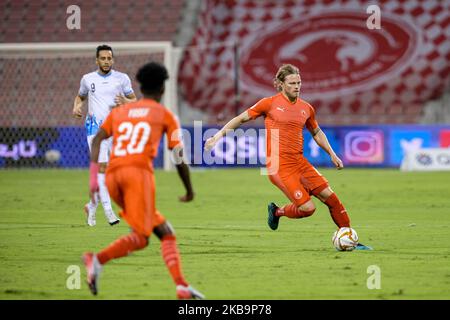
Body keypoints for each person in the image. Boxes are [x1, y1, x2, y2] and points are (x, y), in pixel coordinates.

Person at [205, 64, 370, 250]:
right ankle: (277, 212)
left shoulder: (306, 108)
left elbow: (316, 132)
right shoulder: (268, 104)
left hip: (300, 163)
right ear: (281, 84)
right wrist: (217, 136)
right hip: (279, 166)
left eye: (299, 82)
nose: (297, 86)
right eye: (292, 83)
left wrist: (332, 154)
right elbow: (240, 119)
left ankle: (350, 239)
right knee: (308, 209)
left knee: (332, 199)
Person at [82, 61, 202, 299]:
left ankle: (181, 286)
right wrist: (189, 189)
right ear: (163, 89)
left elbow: (97, 141)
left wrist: (94, 179)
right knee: (141, 238)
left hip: (113, 177)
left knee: (165, 231)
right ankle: (96, 260)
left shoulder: (120, 112)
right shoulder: (166, 115)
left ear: (140, 86)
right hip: (137, 176)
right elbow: (178, 156)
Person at [73, 44, 137, 226]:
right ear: (97, 60)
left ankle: (91, 207)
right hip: (95, 130)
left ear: (113, 60)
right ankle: (109, 213)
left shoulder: (122, 79)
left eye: (109, 58)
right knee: (102, 170)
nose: (106, 61)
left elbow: (134, 100)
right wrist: (76, 106)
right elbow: (80, 97)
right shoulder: (87, 79)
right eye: (103, 58)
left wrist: (126, 101)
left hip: (116, 130)